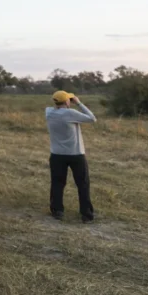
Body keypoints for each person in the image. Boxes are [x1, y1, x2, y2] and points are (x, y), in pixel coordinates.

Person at [46, 90, 97, 222]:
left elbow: (55, 107)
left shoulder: (49, 113)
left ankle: (57, 211)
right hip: (76, 154)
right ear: (67, 101)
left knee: (57, 183)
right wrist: (78, 103)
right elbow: (92, 118)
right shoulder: (70, 113)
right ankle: (86, 214)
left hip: (57, 155)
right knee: (82, 184)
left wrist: (63, 101)